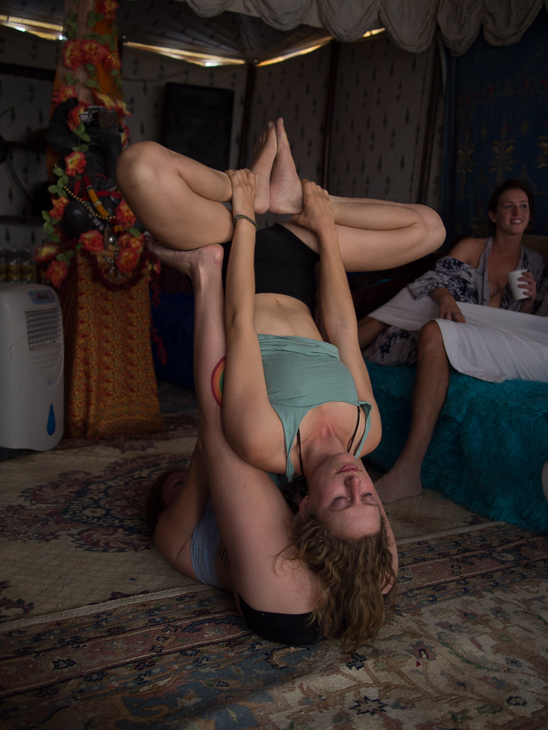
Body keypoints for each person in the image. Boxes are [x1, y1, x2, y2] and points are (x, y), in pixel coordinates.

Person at [146, 238, 398, 650]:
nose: (185, 484)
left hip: (283, 600)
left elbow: (212, 449)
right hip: (320, 598)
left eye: (177, 484)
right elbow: (210, 443)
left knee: (249, 443)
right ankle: (207, 268)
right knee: (344, 469)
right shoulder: (183, 530)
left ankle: (207, 267)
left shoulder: (176, 539)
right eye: (177, 484)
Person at [358, 179, 546, 502]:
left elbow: (527, 322)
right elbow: (434, 278)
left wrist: (527, 302)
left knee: (410, 307)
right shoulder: (474, 247)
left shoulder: (536, 264)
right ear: (492, 214)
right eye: (508, 206)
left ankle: (350, 336)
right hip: (456, 316)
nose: (517, 212)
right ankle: (351, 337)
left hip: (495, 331)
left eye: (524, 206)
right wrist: (445, 298)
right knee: (422, 299)